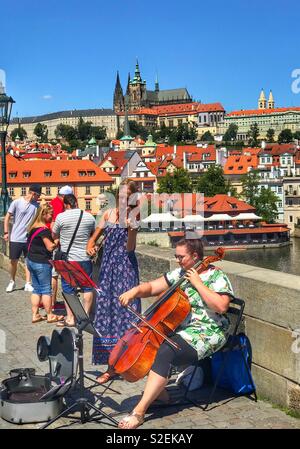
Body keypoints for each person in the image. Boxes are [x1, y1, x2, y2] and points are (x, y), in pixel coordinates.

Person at [115, 238, 234, 429]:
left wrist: (197, 283)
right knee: (149, 346)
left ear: (195, 256)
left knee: (165, 352)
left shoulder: (216, 276)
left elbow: (221, 306)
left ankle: (139, 412)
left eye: (181, 257)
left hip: (208, 332)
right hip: (183, 330)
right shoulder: (180, 273)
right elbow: (153, 287)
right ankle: (161, 395)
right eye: (176, 256)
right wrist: (135, 291)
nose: (177, 260)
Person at [86, 179, 141, 382]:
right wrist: (90, 246)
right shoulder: (109, 214)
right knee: (106, 316)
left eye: (127, 196)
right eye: (120, 195)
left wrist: (131, 230)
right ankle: (110, 367)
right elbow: (94, 238)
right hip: (107, 270)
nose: (123, 199)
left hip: (125, 271)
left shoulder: (134, 217)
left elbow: (130, 249)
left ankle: (128, 363)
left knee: (127, 315)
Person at [52, 194, 95, 327]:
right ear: (76, 203)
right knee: (88, 287)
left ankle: (71, 318)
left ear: (66, 205)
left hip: (68, 259)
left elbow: (54, 234)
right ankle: (85, 317)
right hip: (85, 258)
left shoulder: (61, 217)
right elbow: (93, 235)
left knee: (68, 288)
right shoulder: (89, 216)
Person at [26, 203, 64, 324]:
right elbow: (49, 247)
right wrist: (57, 241)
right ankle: (50, 315)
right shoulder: (44, 230)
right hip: (41, 262)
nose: (52, 217)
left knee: (36, 289)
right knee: (46, 290)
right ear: (43, 214)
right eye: (50, 215)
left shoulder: (32, 227)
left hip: (31, 261)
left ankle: (35, 315)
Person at [4, 184, 42, 293]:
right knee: (13, 261)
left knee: (28, 261)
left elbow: (37, 222)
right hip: (15, 237)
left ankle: (28, 283)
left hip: (28, 239)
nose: (38, 198)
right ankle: (12, 281)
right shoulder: (17, 202)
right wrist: (6, 232)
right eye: (38, 195)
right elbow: (7, 217)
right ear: (33, 193)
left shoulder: (37, 206)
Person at [50, 185, 74, 310]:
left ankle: (51, 302)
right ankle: (53, 303)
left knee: (53, 274)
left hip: (50, 241)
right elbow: (57, 225)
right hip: (56, 243)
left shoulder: (53, 201)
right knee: (55, 275)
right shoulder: (60, 205)